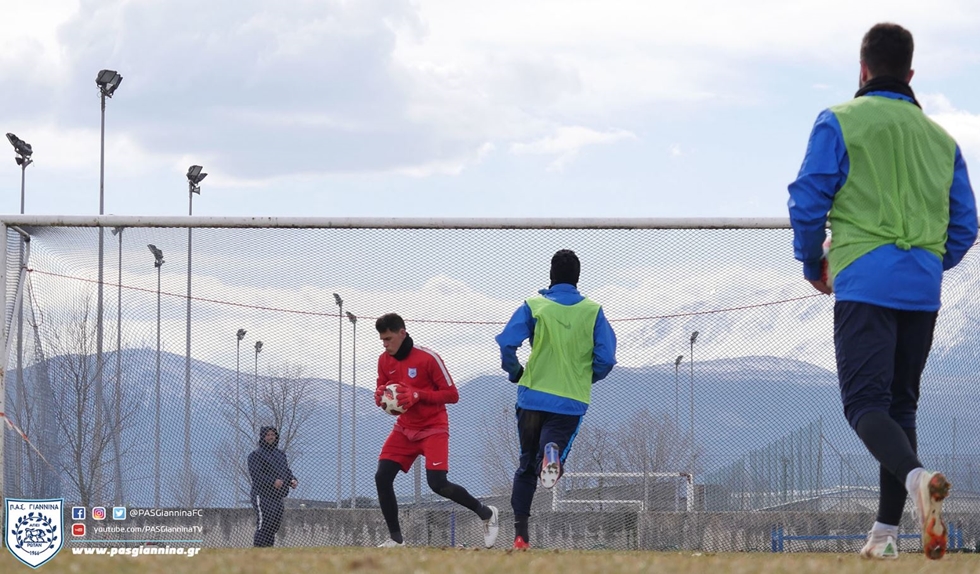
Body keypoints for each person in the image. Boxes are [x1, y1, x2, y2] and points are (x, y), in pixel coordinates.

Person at [788, 22, 977, 561]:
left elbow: (807, 200)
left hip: (864, 281)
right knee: (901, 407)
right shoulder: (943, 141)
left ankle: (917, 478)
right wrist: (927, 262)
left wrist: (812, 263)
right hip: (921, 288)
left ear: (863, 69)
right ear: (911, 74)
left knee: (864, 405)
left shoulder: (839, 121)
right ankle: (885, 535)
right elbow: (965, 225)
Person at [495, 249, 617, 549]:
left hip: (532, 397)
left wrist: (515, 372)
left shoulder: (534, 306)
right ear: (578, 277)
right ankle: (553, 454)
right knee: (551, 450)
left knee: (525, 466)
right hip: (569, 400)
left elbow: (506, 343)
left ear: (551, 276)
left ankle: (521, 536)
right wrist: (587, 377)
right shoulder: (593, 311)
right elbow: (607, 358)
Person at [372, 313, 499, 548]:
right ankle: (396, 540)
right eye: (382, 340)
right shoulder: (384, 360)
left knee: (438, 484)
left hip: (433, 428)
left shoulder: (428, 358)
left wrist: (418, 395)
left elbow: (452, 395)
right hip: (404, 429)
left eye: (389, 338)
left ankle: (486, 513)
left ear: (402, 333)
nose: (385, 344)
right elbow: (382, 386)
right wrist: (380, 395)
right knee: (382, 476)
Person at [247, 426, 298, 547]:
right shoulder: (255, 455)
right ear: (263, 437)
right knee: (264, 523)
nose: (270, 437)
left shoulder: (280, 455)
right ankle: (258, 551)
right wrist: (272, 482)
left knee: (274, 524)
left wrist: (292, 480)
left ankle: (268, 550)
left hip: (277, 496)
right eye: (268, 435)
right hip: (262, 495)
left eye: (272, 435)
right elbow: (256, 475)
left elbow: (286, 471)